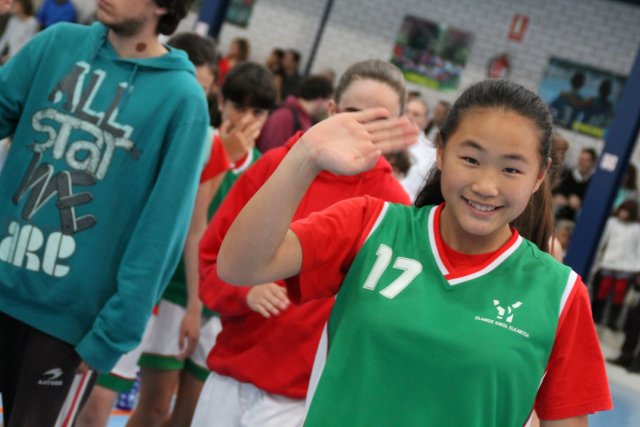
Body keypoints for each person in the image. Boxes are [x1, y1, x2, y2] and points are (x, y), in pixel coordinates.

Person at [217, 79, 612, 426]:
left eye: (511, 169)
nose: (486, 186)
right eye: (470, 159)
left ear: (539, 176)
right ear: (440, 151)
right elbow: (239, 265)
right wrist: (305, 156)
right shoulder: (370, 226)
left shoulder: (560, 294)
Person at [0, 0, 208, 425]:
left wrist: (113, 334)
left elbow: (161, 232)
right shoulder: (58, 43)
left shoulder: (182, 101)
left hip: (66, 327)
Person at [192, 59, 415, 427]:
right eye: (354, 114)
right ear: (332, 111)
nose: (362, 128)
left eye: (379, 120)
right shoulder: (275, 166)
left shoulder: (394, 207)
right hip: (232, 370)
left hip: (304, 397)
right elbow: (211, 259)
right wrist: (244, 291)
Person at [74, 31, 219, 427]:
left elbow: (193, 228)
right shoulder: (126, 118)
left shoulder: (207, 143)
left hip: (141, 292)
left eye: (203, 89)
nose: (193, 96)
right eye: (189, 84)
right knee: (74, 401)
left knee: (104, 404)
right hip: (86, 275)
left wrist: (194, 303)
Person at [125, 61, 276, 427]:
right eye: (238, 106)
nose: (246, 118)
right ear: (221, 102)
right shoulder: (201, 144)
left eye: (257, 111)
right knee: (154, 407)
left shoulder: (266, 168)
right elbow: (194, 223)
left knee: (190, 416)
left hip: (224, 301)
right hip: (177, 288)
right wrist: (225, 157)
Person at [590, 200, 640, 330]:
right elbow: (603, 242)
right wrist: (598, 261)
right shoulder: (611, 223)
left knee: (619, 296)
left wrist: (637, 267)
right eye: (622, 210)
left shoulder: (636, 229)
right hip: (608, 263)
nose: (623, 214)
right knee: (601, 292)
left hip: (627, 267)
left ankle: (612, 321)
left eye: (627, 212)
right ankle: (596, 317)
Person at [256, 74, 333, 153]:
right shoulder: (284, 116)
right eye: (329, 100)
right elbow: (269, 150)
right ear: (320, 98)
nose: (328, 107)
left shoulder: (305, 119)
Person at [400, 94, 437, 200]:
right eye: (407, 111)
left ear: (426, 122)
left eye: (416, 114)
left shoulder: (430, 154)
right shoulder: (384, 137)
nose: (409, 117)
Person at [553, 147, 596, 221]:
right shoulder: (567, 174)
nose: (582, 163)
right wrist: (556, 198)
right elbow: (553, 194)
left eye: (587, 160)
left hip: (575, 219)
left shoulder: (593, 183)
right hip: (557, 213)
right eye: (581, 159)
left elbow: (593, 206)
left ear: (593, 163)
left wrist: (580, 205)